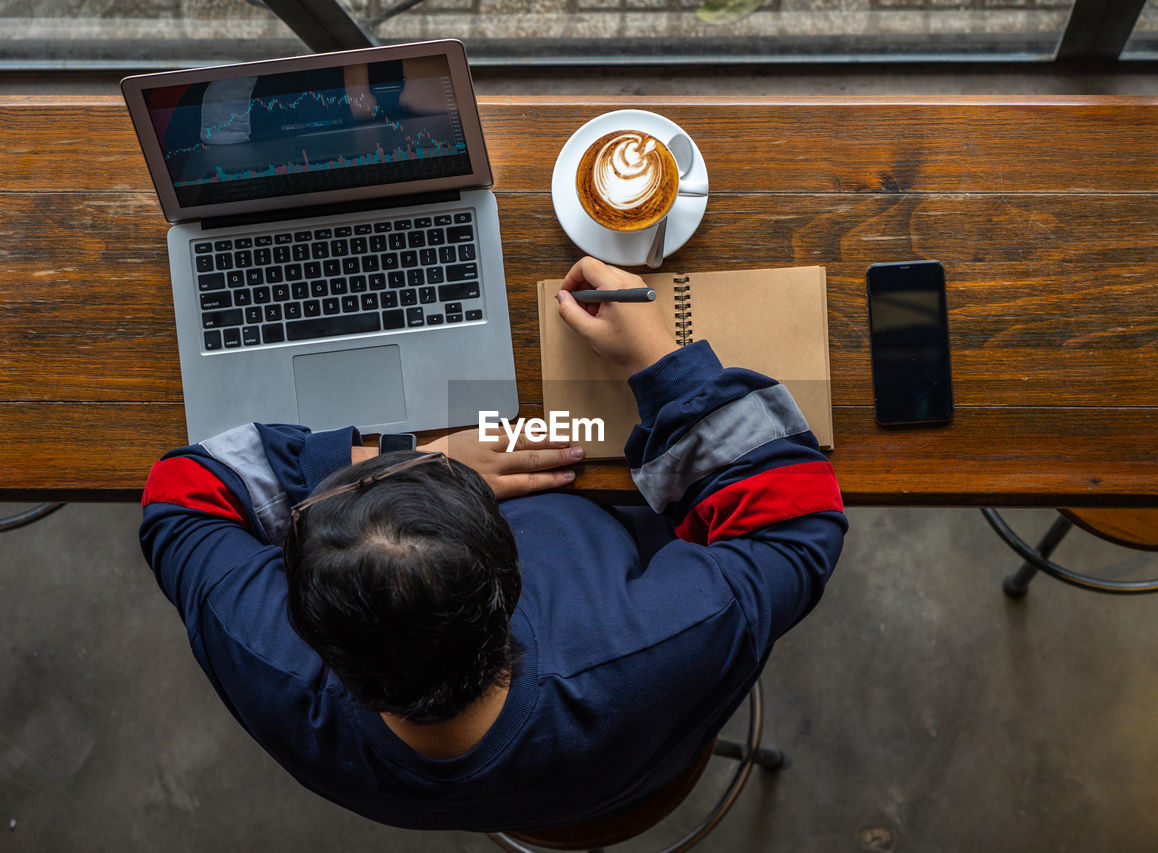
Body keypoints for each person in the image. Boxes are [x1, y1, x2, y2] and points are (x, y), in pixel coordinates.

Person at [139, 256, 847, 832]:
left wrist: (409, 454)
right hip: (640, 768)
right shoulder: (666, 641)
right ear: (510, 575)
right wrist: (663, 362)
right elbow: (799, 519)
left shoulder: (266, 658)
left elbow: (179, 489)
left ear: (308, 618)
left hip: (518, 797)